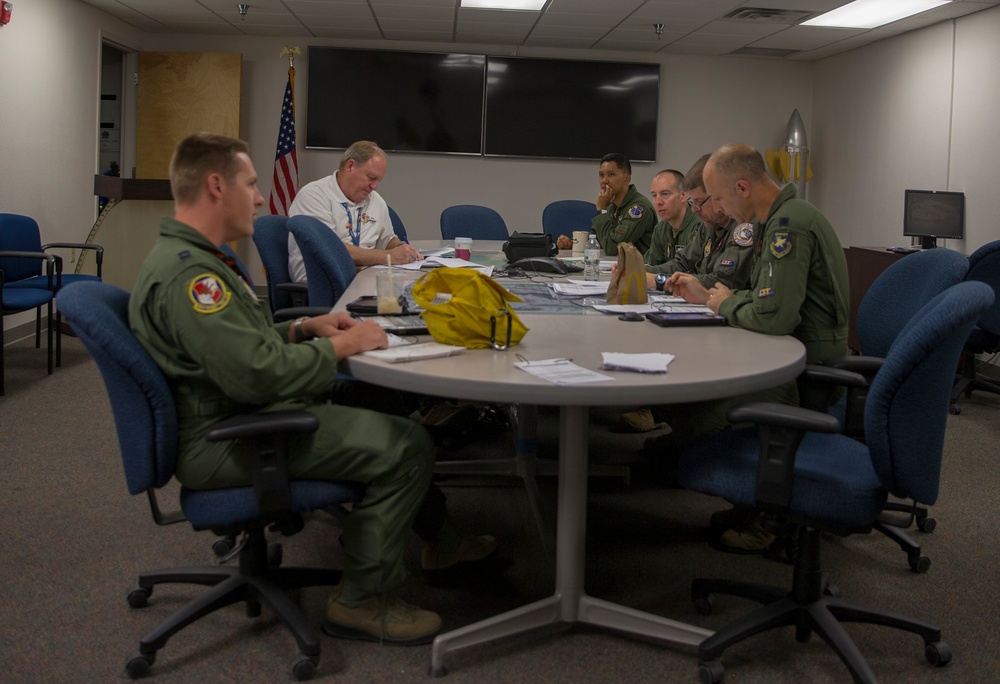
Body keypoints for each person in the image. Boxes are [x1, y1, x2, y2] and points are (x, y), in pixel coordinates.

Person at [129, 132, 493, 646]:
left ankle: (444, 542)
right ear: (216, 186)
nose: (260, 199)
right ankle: (361, 600)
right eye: (251, 185)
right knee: (407, 445)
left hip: (233, 412)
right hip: (227, 438)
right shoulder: (193, 279)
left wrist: (302, 329)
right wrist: (341, 349)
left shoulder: (192, 259)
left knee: (377, 398)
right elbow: (253, 375)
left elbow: (237, 348)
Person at [664, 142, 849, 552]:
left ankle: (770, 516)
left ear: (742, 188)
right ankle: (754, 499)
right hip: (784, 350)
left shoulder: (787, 226)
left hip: (803, 366)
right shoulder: (780, 217)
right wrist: (725, 299)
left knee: (702, 412)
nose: (719, 210)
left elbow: (774, 315)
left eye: (718, 198)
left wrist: (726, 303)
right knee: (694, 396)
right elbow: (759, 297)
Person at [287, 140, 422, 280]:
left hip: (362, 277)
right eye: (371, 178)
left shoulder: (375, 200)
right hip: (324, 281)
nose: (374, 186)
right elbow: (331, 251)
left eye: (378, 181)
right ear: (350, 166)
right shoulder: (313, 196)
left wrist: (401, 247)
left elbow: (387, 240)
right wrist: (389, 256)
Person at [646, 154, 756, 292]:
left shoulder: (744, 227)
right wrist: (639, 271)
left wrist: (659, 281)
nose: (694, 209)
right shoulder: (710, 224)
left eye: (699, 202)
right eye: (692, 202)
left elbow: (723, 282)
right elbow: (683, 263)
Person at [556, 152, 656, 255]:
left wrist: (602, 210)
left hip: (640, 268)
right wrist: (572, 244)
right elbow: (598, 239)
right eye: (601, 175)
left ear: (626, 179)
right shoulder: (612, 205)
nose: (604, 180)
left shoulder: (638, 208)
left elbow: (612, 248)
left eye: (611, 174)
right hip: (616, 266)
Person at [643, 168, 699, 271]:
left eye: (665, 194)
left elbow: (692, 271)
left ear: (683, 195)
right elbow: (651, 264)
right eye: (654, 195)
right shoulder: (661, 229)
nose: (658, 202)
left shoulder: (700, 226)